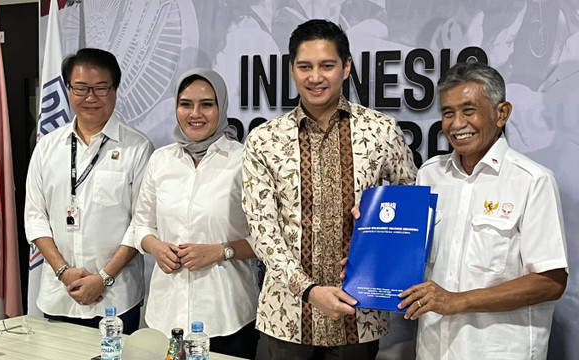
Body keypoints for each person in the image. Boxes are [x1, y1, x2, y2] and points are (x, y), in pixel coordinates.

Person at [242, 19, 417, 359]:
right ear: (291, 69)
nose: (315, 77)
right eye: (305, 66)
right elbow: (263, 232)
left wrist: (377, 222)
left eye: (327, 66)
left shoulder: (381, 131)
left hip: (359, 316)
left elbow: (411, 209)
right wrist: (309, 291)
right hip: (286, 318)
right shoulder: (265, 140)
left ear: (346, 66)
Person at [398, 61, 568, 359]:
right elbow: (411, 254)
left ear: (501, 113)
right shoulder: (429, 174)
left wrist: (458, 301)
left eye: (468, 110)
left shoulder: (532, 180)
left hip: (499, 351)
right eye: (448, 113)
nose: (456, 123)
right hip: (434, 349)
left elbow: (550, 282)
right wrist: (371, 253)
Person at [131, 68, 260, 359]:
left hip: (227, 317)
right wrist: (155, 247)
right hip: (166, 316)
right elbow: (141, 224)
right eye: (186, 104)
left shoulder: (244, 160)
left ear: (221, 107)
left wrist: (220, 251)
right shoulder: (160, 160)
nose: (195, 114)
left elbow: (268, 240)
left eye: (207, 104)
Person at [24, 48, 153, 335]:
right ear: (69, 89)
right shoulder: (47, 147)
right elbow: (35, 218)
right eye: (80, 88)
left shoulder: (137, 148)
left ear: (115, 89)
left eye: (100, 88)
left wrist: (103, 278)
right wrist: (63, 271)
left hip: (116, 298)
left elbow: (142, 224)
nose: (90, 97)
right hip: (59, 295)